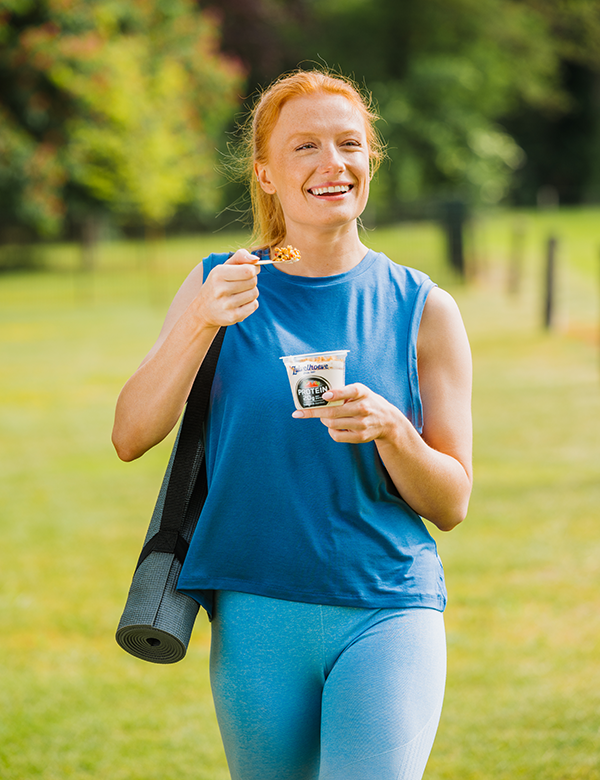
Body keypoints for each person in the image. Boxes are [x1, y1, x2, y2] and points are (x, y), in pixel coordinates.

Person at [112, 69, 472, 780]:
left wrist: (394, 430)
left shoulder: (424, 309)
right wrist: (198, 322)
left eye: (349, 144)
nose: (331, 164)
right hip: (255, 614)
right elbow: (130, 435)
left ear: (370, 160)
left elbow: (452, 502)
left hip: (388, 606)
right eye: (305, 147)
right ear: (267, 175)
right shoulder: (220, 283)